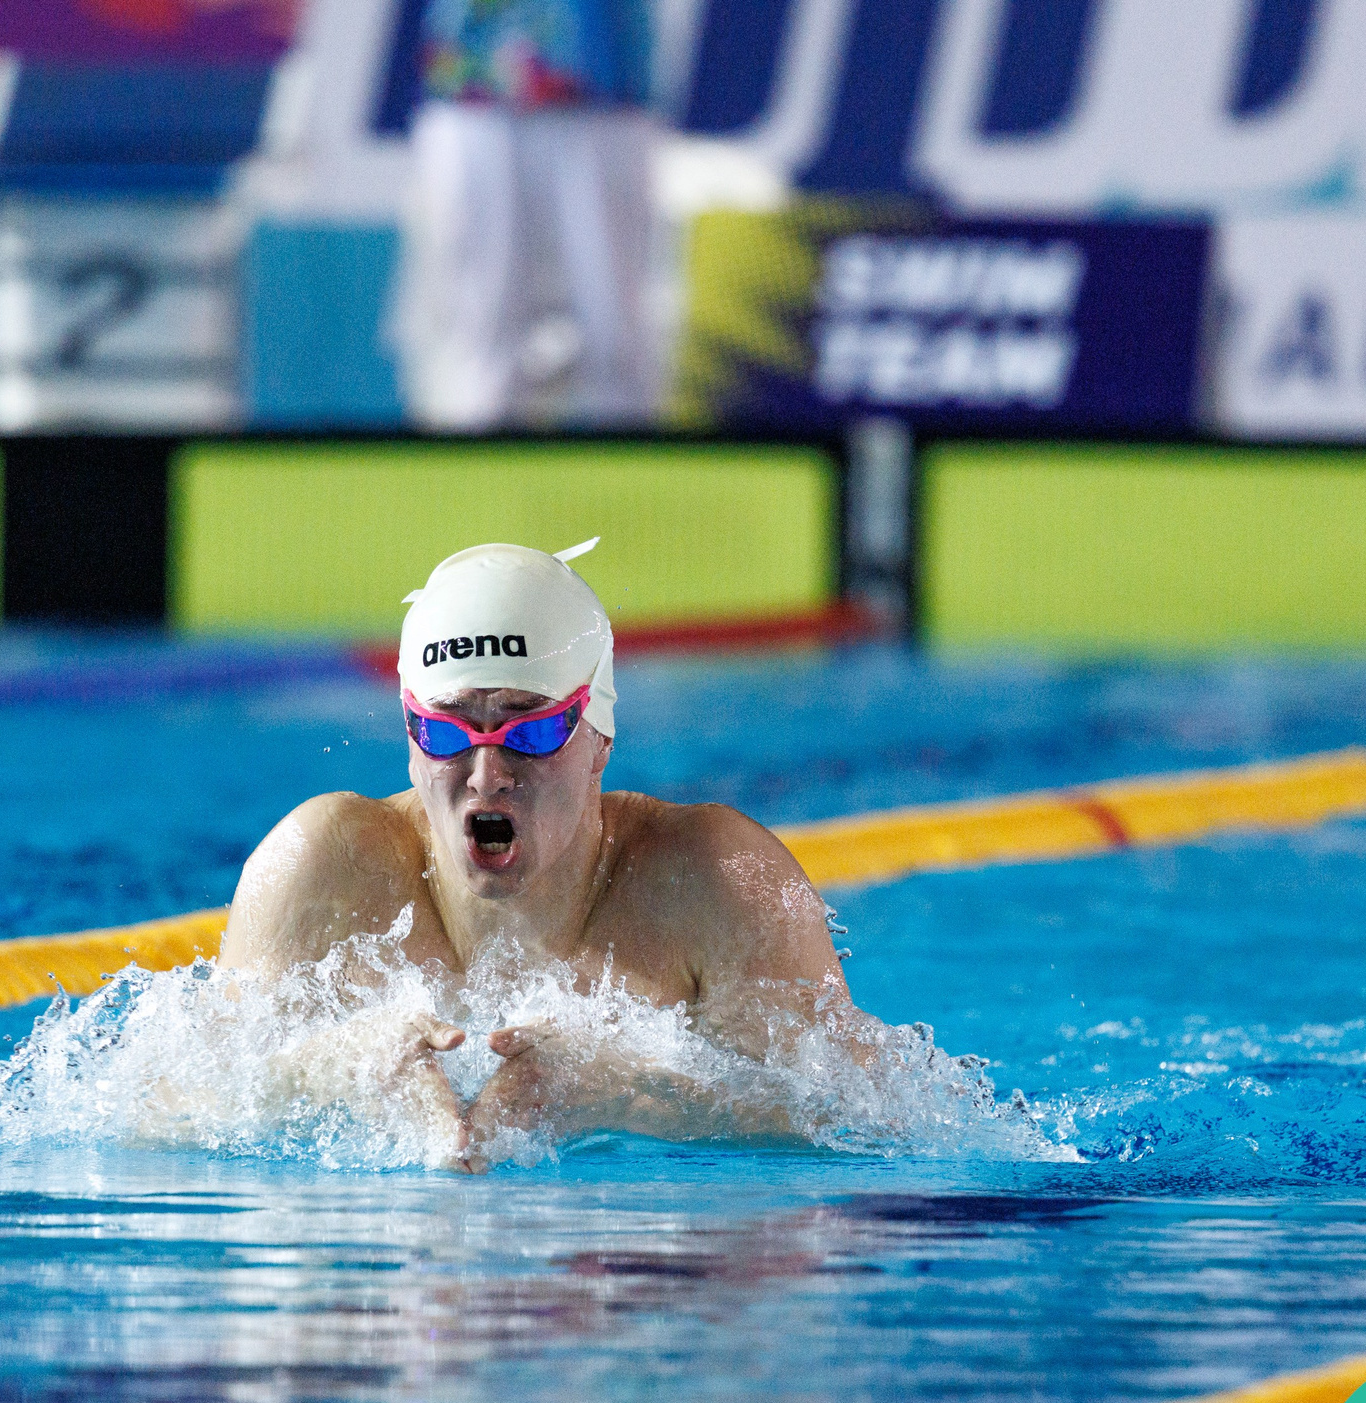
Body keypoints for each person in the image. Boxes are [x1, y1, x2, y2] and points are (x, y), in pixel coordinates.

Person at [218, 540, 880, 1170]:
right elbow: (156, 1109)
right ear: (411, 738)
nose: (486, 774)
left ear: (600, 736)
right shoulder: (321, 866)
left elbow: (868, 1122)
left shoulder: (715, 880)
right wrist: (328, 1071)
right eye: (446, 730)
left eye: (529, 728)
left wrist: (633, 1093)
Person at [401, 0, 662, 429]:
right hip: (470, 84)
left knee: (614, 333)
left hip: (602, 82)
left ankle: (627, 489)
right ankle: (476, 488)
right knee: (478, 336)